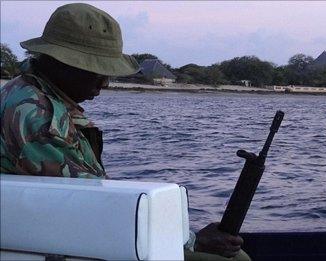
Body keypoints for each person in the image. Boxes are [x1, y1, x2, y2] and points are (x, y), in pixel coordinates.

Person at [0, 3, 250, 261]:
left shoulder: (23, 91)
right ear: (63, 63)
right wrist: (192, 239)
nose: (105, 83)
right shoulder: (39, 116)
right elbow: (95, 204)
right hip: (66, 240)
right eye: (97, 70)